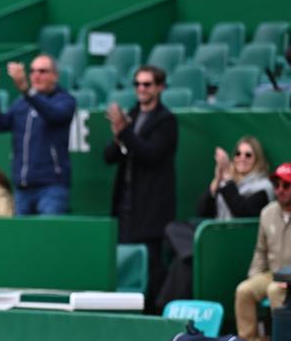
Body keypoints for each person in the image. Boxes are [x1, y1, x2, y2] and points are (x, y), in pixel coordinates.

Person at [158, 136, 273, 309]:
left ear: (257, 160)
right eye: (238, 153)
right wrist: (216, 181)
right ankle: (194, 253)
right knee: (174, 230)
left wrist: (226, 179)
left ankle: (164, 306)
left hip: (234, 242)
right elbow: (203, 210)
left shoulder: (263, 187)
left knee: (183, 262)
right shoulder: (228, 182)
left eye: (248, 155)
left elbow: (241, 211)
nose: (242, 158)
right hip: (215, 240)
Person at [105, 65, 177, 312]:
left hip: (152, 207)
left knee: (152, 264)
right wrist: (118, 136)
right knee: (126, 264)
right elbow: (108, 156)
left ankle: (155, 315)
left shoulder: (166, 121)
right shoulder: (131, 116)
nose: (141, 89)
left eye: (147, 84)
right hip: (126, 203)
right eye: (137, 84)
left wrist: (124, 131)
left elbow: (151, 153)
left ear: (159, 87)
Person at [0, 55, 75, 215]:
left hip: (51, 187)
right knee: (21, 238)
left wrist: (27, 92)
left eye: (42, 71)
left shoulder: (65, 100)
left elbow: (53, 114)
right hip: (22, 189)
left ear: (55, 76)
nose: (36, 75)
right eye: (32, 71)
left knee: (48, 235)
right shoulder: (21, 103)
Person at [235, 163, 291, 341]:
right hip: (272, 273)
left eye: (286, 186)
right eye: (277, 185)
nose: (280, 190)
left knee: (275, 291)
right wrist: (254, 276)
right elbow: (260, 251)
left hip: (287, 279)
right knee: (244, 290)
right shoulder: (267, 213)